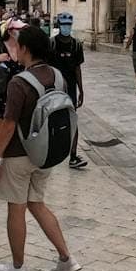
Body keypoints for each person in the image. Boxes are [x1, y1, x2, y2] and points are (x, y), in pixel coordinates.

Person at [0, 24, 81, 271]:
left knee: (16, 209)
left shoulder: (19, 82)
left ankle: (18, 266)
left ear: (25, 49)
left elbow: (9, 124)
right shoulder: (58, 76)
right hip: (45, 153)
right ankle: (66, 258)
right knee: (37, 203)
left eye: (18, 45)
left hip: (18, 154)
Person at [50, 12, 88, 170]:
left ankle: (73, 155)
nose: (66, 27)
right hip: (55, 88)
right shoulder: (51, 44)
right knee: (52, 120)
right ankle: (50, 151)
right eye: (64, 24)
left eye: (69, 25)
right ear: (59, 25)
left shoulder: (76, 45)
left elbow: (77, 67)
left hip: (71, 89)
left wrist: (81, 89)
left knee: (73, 120)